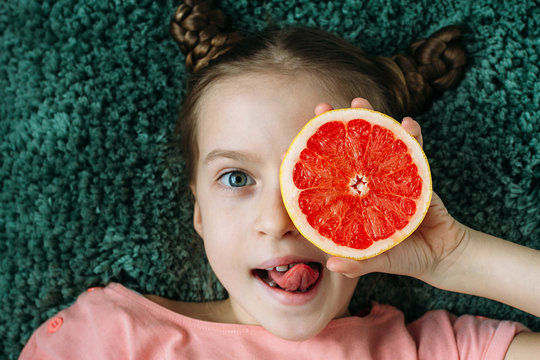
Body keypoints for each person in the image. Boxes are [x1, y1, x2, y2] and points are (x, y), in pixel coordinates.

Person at [20, 0, 540, 358]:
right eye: (237, 177)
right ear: (198, 209)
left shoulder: (428, 351)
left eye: (322, 179)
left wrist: (459, 257)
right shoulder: (107, 339)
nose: (277, 220)